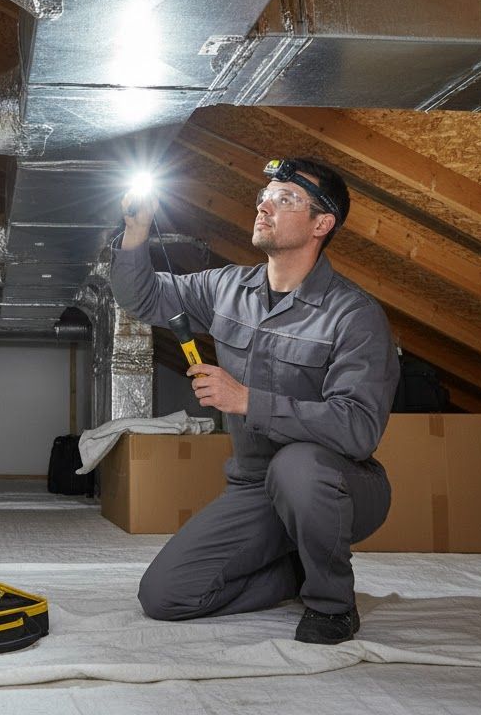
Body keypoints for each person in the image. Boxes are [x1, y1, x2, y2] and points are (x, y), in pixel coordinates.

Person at [111, 157, 399, 645]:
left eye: (285, 199)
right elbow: (143, 299)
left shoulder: (354, 315)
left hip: (341, 486)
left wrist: (247, 400)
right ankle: (294, 569)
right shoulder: (226, 288)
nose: (265, 205)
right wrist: (136, 230)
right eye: (265, 195)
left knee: (298, 464)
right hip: (255, 487)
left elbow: (358, 428)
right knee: (165, 596)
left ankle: (332, 605)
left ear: (321, 224)